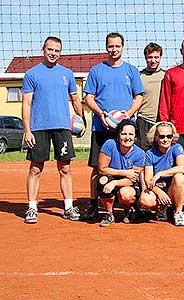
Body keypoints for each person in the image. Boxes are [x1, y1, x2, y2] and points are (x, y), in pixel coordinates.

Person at [21, 36, 84, 224]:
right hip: (39, 127)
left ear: (60, 52)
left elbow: (75, 99)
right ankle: (32, 208)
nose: (53, 53)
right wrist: (27, 130)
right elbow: (26, 104)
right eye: (50, 49)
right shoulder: (32, 74)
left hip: (62, 127)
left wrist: (81, 120)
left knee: (65, 168)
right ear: (43, 50)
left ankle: (68, 207)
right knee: (35, 169)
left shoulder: (67, 73)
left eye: (57, 50)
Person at [82, 32, 145, 220]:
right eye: (111, 46)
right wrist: (100, 113)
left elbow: (139, 97)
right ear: (106, 47)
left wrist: (128, 115)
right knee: (97, 167)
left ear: (123, 47)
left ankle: (134, 203)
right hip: (102, 126)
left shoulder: (131, 70)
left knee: (133, 166)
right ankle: (94, 204)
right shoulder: (96, 70)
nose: (114, 49)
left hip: (126, 128)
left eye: (117, 46)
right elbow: (88, 97)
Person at [96, 119, 145, 227]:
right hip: (111, 177)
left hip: (127, 183)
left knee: (126, 194)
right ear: (118, 135)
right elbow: (102, 169)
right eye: (123, 134)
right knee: (101, 180)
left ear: (135, 137)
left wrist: (115, 183)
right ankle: (109, 214)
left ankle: (128, 210)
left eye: (131, 134)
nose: (127, 137)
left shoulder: (140, 153)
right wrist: (125, 172)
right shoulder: (110, 144)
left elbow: (132, 179)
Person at [139, 122, 184, 226]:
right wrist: (159, 192)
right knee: (145, 200)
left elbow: (181, 167)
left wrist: (160, 173)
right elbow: (148, 179)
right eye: (161, 136)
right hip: (157, 187)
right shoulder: (150, 153)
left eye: (169, 136)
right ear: (156, 138)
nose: (165, 139)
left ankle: (178, 211)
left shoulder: (177, 148)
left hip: (172, 188)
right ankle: (162, 207)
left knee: (179, 177)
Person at [136, 42, 165, 150]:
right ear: (145, 58)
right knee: (144, 151)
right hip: (144, 120)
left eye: (156, 57)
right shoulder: (139, 77)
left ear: (160, 57)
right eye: (150, 57)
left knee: (160, 151)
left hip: (161, 120)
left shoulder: (166, 76)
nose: (153, 60)